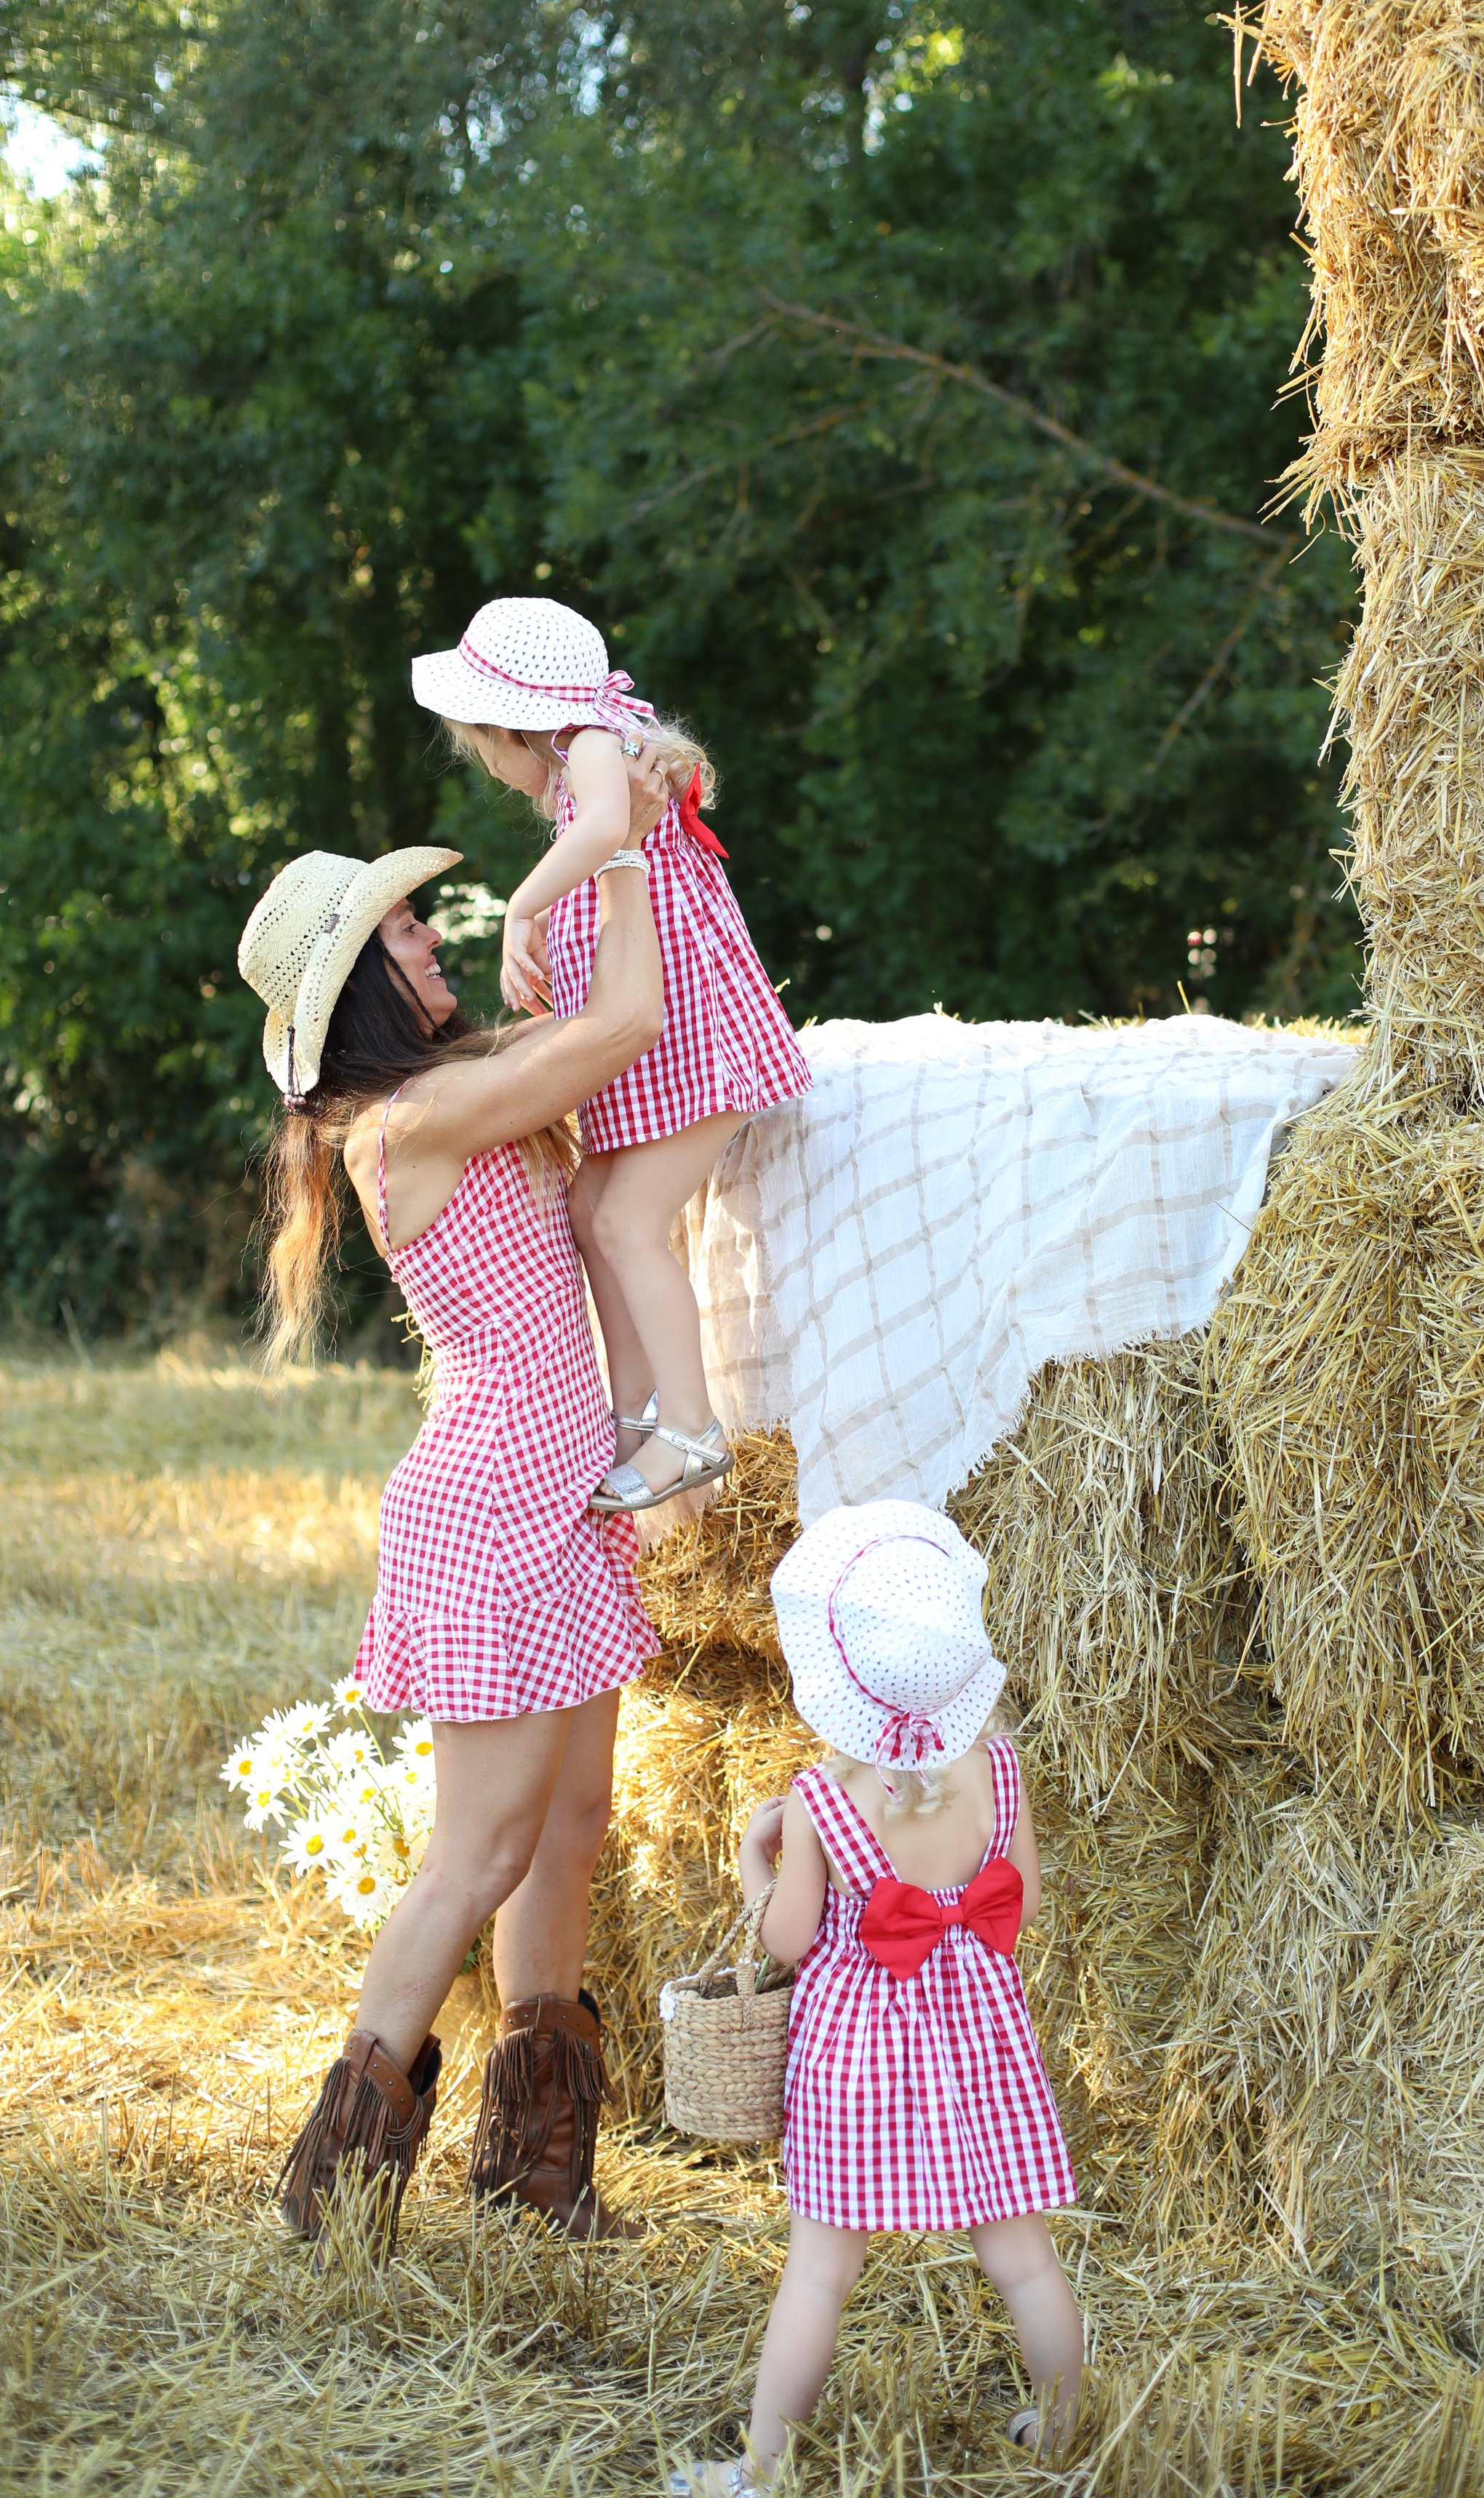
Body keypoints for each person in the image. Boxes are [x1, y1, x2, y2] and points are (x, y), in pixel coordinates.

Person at [236, 749, 669, 2252]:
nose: (431, 938)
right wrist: (615, 843)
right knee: (479, 1854)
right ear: (360, 984)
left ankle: (536, 2170)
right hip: (492, 1511)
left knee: (571, 1832)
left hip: (559, 1497)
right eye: (407, 934)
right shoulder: (402, 1129)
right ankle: (337, 2195)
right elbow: (625, 1022)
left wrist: (573, 885)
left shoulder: (448, 1099)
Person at [672, 1503, 1085, 2496]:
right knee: (1023, 2257)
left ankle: (763, 2468)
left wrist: (752, 1860)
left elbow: (789, 1941)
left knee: (820, 2269)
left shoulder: (820, 1803)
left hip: (859, 2060)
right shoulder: (1001, 1774)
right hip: (981, 2044)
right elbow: (1013, 1909)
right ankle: (1069, 2427)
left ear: (840, 1673)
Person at [410, 597, 811, 1517]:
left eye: (484, 752)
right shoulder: (597, 745)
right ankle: (630, 1421)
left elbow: (599, 835)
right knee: (593, 1208)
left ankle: (690, 1429)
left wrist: (520, 905)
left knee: (627, 1220)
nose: (495, 773)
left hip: (700, 1043)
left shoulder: (587, 739)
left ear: (518, 728)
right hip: (669, 1045)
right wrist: (555, 916)